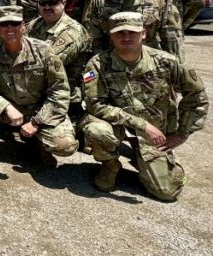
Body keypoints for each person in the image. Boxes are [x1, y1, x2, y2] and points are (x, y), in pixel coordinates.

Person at [82, 12, 208, 201]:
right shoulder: (97, 64)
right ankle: (109, 163)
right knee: (96, 130)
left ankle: (151, 157)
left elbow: (197, 96)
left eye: (132, 32)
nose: (126, 37)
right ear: (111, 36)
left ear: (143, 33)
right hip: (118, 123)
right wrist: (141, 125)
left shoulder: (166, 62)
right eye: (120, 33)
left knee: (167, 192)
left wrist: (183, 133)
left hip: (153, 128)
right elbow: (95, 105)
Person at [0, 6, 78, 169]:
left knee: (65, 145)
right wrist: (4, 107)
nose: (9, 28)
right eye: (4, 24)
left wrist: (37, 122)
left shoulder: (44, 51)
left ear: (23, 26)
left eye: (15, 23)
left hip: (40, 109)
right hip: (9, 108)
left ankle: (42, 147)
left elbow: (60, 91)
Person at [26, 0, 89, 124]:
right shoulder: (36, 24)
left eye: (53, 2)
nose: (47, 7)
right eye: (43, 3)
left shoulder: (72, 31)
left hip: (63, 96)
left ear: (63, 3)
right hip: (38, 88)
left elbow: (48, 64)